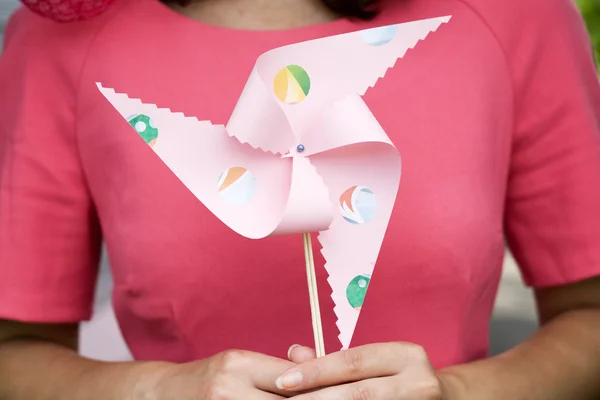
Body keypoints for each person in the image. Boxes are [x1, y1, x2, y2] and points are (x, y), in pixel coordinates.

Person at [1, 0, 599, 398]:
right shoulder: (63, 35)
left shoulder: (515, 13)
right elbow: (14, 355)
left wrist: (459, 394)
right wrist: (158, 389)